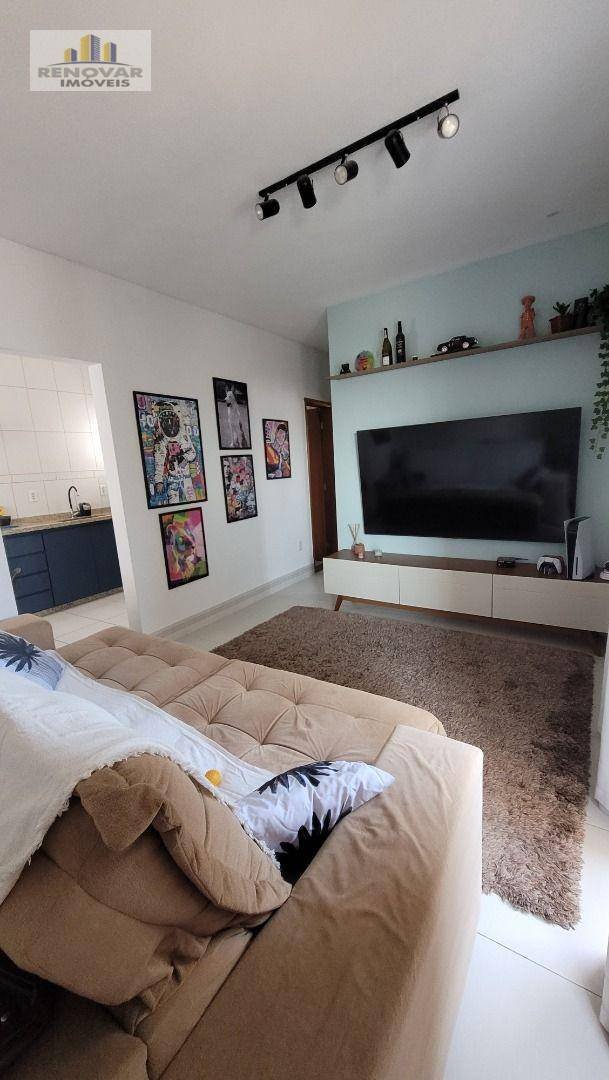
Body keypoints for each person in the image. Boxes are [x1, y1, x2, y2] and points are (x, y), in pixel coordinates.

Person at [152, 400, 197, 504]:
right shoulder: (161, 442)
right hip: (172, 479)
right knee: (173, 503)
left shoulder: (183, 436)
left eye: (171, 420)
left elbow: (192, 453)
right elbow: (159, 462)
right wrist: (159, 481)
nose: (169, 424)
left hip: (186, 477)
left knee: (192, 501)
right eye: (166, 421)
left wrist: (183, 456)